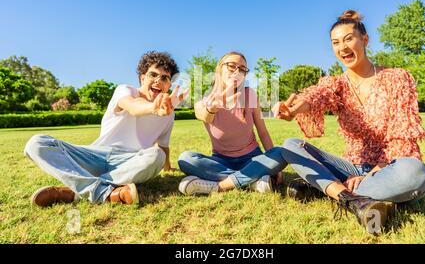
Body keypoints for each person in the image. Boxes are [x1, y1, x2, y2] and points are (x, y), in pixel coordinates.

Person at [274, 10, 425, 234]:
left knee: (417, 173)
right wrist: (298, 106)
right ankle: (351, 198)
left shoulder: (396, 78)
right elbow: (318, 95)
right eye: (335, 42)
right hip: (350, 168)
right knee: (291, 145)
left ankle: (327, 189)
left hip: (389, 168)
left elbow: (402, 137)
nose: (342, 47)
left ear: (364, 40)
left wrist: (372, 174)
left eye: (349, 38)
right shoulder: (337, 84)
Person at [24, 51, 188, 207]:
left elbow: (163, 146)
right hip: (94, 156)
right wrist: (153, 108)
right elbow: (132, 106)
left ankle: (77, 192)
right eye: (153, 74)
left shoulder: (168, 114)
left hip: (129, 163)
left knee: (156, 156)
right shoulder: (125, 90)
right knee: (36, 143)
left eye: (165, 78)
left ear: (169, 86)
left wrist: (167, 168)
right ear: (143, 77)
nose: (158, 80)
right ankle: (104, 191)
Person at [178, 51, 287, 195]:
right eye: (231, 66)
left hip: (253, 158)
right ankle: (252, 180)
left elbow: (263, 132)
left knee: (280, 152)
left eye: (242, 69)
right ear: (219, 69)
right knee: (186, 159)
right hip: (221, 161)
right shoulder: (206, 101)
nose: (237, 71)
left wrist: (276, 167)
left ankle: (218, 186)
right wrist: (212, 108)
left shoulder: (250, 94)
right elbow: (203, 115)